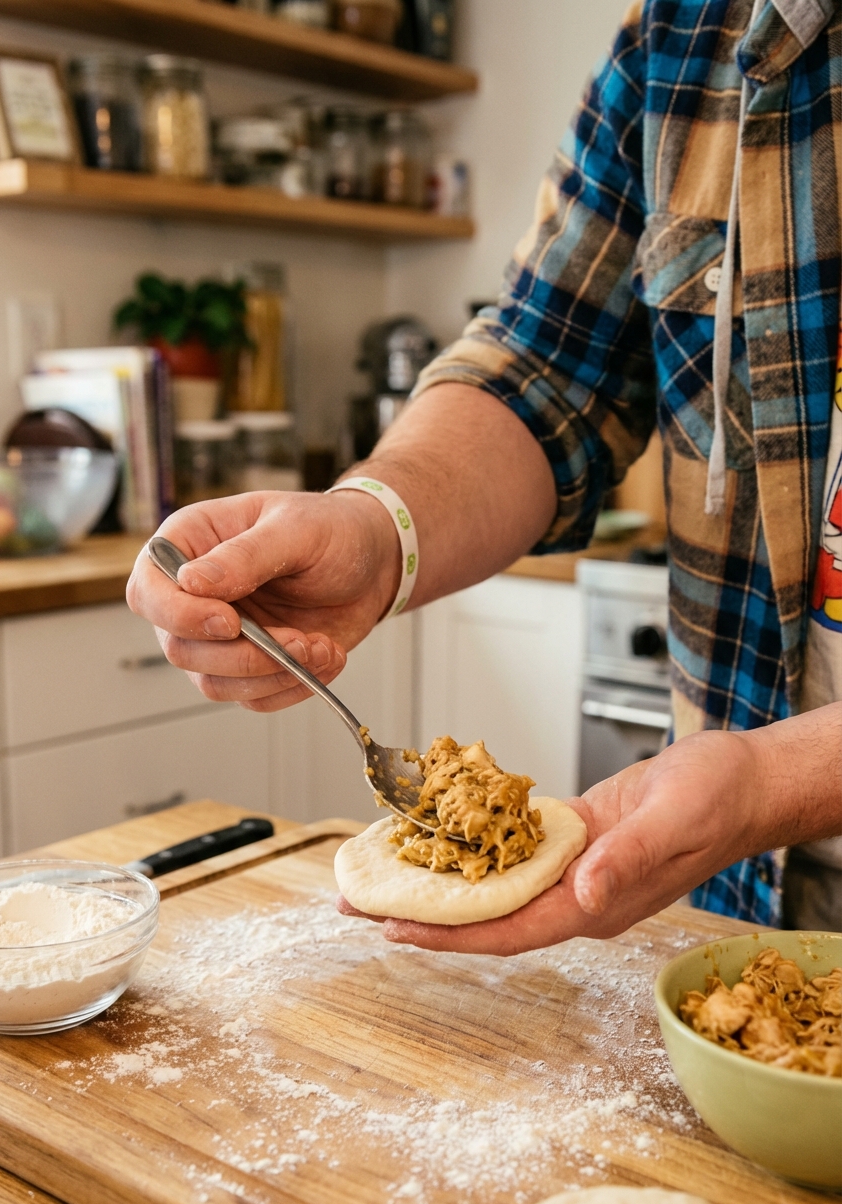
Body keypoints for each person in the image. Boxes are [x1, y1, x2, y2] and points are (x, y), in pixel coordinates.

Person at [128, 0, 842, 949]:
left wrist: (775, 782)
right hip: (739, 903)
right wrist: (374, 529)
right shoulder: (685, 35)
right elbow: (547, 369)